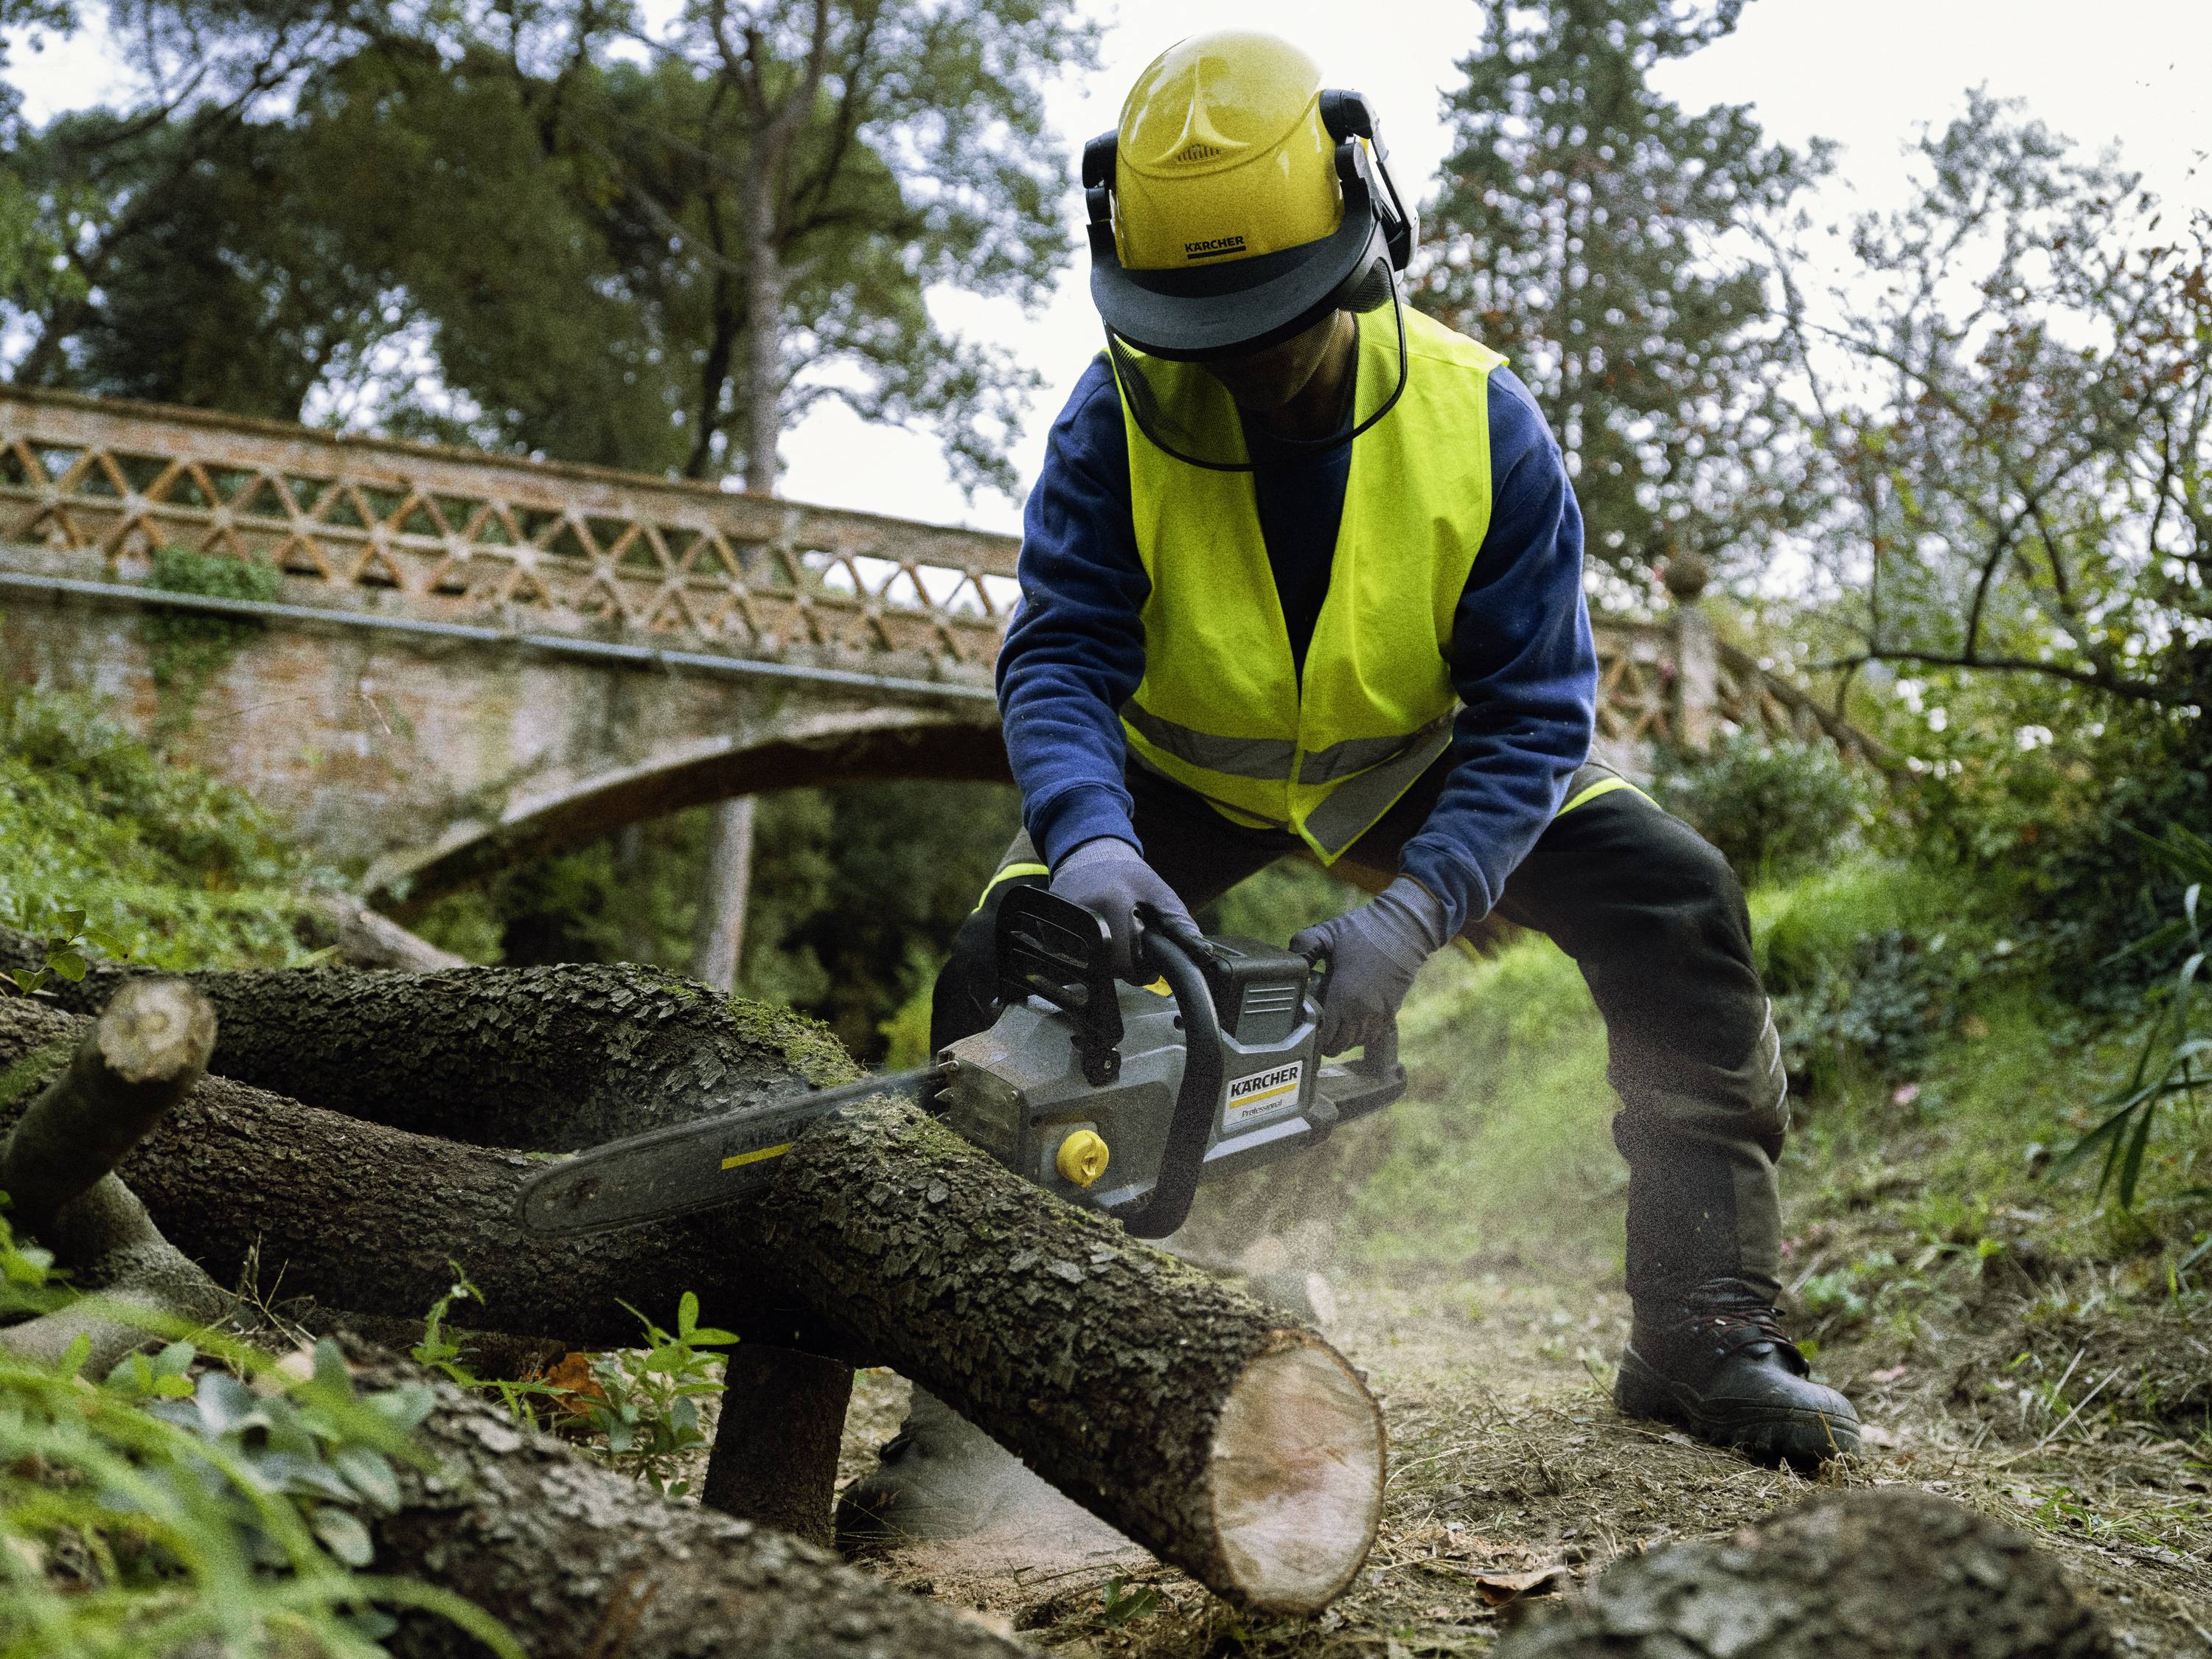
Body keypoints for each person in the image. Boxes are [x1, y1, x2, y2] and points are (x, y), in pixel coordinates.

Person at [838, 28, 1857, 1547]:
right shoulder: (1108, 416)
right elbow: (1056, 654)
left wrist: (1419, 910)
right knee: (1002, 967)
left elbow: (1532, 713)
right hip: (1174, 773)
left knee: (1677, 902)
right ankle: (977, 1405)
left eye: (1278, 331)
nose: (1246, 373)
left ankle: (1705, 1332)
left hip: (1412, 760)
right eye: (1207, 339)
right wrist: (1093, 839)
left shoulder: (1482, 420)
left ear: (1363, 246)